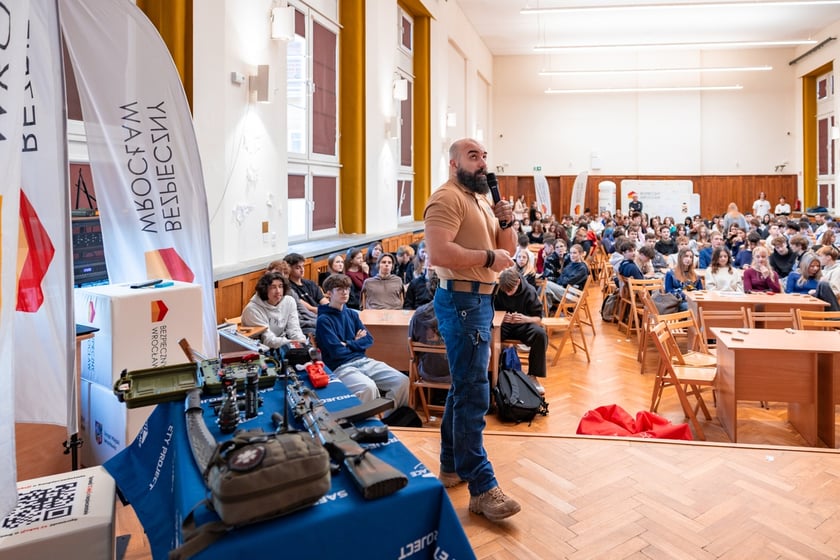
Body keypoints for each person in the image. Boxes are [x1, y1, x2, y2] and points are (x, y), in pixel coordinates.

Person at [423, 137, 521, 521]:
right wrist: (488, 257)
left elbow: (506, 249)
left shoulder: (482, 198)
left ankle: (450, 466)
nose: (482, 163)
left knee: (464, 388)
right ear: (453, 163)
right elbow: (438, 253)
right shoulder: (446, 198)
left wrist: (507, 220)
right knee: (475, 393)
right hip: (461, 302)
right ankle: (481, 487)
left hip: (480, 299)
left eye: (484, 156)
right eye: (473, 156)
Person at [316, 273, 409, 411]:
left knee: (402, 381)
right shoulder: (324, 320)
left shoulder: (352, 314)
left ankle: (392, 420)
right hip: (341, 367)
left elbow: (369, 340)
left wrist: (348, 343)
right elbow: (336, 352)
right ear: (329, 293)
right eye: (339, 289)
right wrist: (356, 343)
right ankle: (365, 427)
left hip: (363, 361)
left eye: (347, 288)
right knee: (368, 387)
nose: (345, 292)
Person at [494, 268, 548, 394]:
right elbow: (491, 311)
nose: (507, 294)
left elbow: (538, 319)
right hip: (504, 325)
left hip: (523, 325)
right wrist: (502, 316)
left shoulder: (529, 291)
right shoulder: (499, 288)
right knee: (490, 334)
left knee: (540, 335)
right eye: (505, 291)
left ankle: (533, 376)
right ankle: (494, 373)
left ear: (518, 282)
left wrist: (525, 319)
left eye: (510, 290)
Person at [241, 272, 307, 348]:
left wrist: (301, 341)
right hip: (260, 350)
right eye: (273, 287)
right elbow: (267, 340)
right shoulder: (252, 310)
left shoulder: (289, 301)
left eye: (280, 286)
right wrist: (291, 342)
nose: (278, 291)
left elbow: (294, 329)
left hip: (283, 344)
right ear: (264, 290)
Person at [408, 271, 451, 383]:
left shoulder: (418, 314)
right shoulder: (461, 315)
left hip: (428, 372)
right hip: (457, 373)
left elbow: (411, 349)